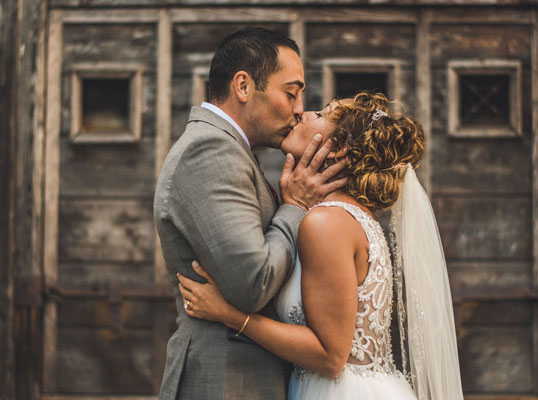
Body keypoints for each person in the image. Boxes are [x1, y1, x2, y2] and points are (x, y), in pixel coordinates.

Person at [178, 92, 465, 400]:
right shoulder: (347, 216)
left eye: (321, 113)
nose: (303, 113)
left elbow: (330, 356)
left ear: (337, 148)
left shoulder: (327, 223)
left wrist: (231, 316)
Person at [154, 28, 347, 400]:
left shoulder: (231, 150)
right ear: (242, 86)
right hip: (224, 381)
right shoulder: (210, 151)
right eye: (290, 93)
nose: (297, 109)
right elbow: (252, 282)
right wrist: (295, 206)